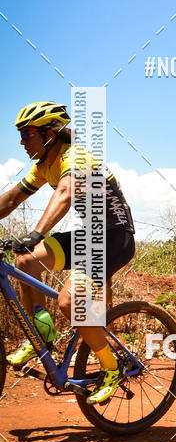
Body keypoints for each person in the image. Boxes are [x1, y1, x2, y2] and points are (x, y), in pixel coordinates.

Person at [0, 101, 136, 403]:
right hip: (89, 236)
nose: (22, 142)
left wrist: (36, 233)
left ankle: (112, 366)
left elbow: (65, 193)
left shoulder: (76, 156)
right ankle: (42, 335)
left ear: (49, 134)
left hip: (115, 238)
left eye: (27, 133)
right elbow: (10, 200)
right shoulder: (43, 165)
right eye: (21, 134)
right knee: (26, 261)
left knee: (70, 301)